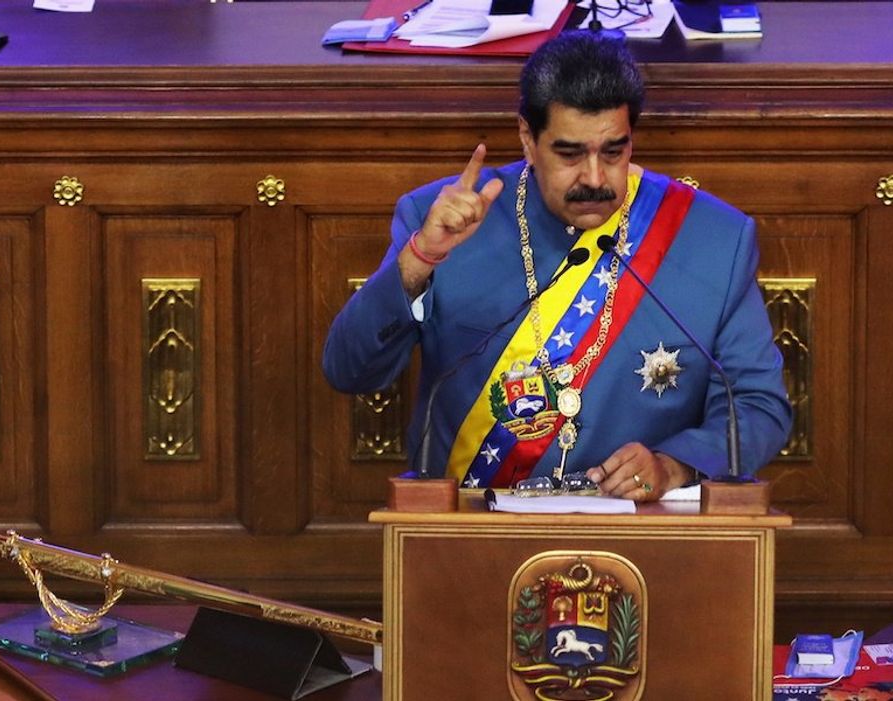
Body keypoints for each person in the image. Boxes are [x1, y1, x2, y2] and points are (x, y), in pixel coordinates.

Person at [323, 31, 791, 501]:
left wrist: (673, 466)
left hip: (644, 539)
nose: (594, 178)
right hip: (468, 535)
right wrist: (419, 258)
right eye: (569, 154)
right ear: (528, 139)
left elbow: (759, 406)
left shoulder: (712, 238)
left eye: (613, 152)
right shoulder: (439, 219)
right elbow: (350, 372)